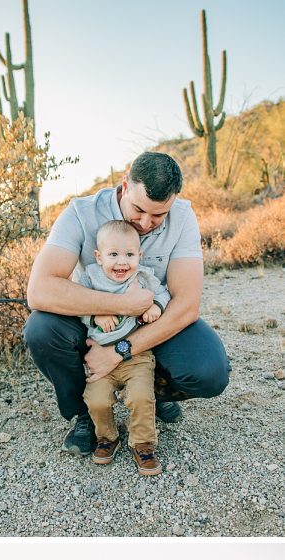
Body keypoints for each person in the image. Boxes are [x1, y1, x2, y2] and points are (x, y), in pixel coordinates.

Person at [24, 151, 230, 457]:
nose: (146, 223)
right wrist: (122, 305)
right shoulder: (81, 212)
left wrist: (118, 352)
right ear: (124, 185)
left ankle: (152, 393)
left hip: (152, 322)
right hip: (96, 323)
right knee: (41, 329)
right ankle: (84, 413)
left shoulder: (184, 217)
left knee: (209, 371)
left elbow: (186, 304)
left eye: (158, 215)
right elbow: (39, 290)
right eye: (138, 209)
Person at [80, 220, 171, 475]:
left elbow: (164, 295)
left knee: (140, 396)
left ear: (139, 256)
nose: (122, 262)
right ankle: (108, 437)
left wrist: (156, 307)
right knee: (96, 400)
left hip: (136, 355)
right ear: (99, 257)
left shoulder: (142, 277)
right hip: (99, 357)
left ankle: (143, 443)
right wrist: (95, 315)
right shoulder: (90, 277)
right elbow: (73, 307)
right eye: (113, 254)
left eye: (130, 255)